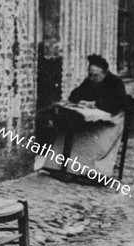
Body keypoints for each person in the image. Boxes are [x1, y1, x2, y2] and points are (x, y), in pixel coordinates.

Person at [43, 54, 127, 182]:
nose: (92, 78)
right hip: (94, 119)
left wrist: (94, 103)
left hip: (111, 121)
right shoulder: (90, 81)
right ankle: (57, 166)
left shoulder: (115, 83)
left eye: (96, 76)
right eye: (90, 75)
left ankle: (93, 174)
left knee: (94, 142)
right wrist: (79, 100)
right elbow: (75, 94)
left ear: (105, 73)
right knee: (66, 134)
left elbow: (116, 104)